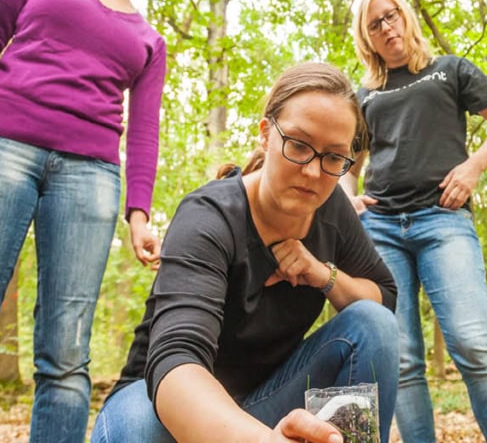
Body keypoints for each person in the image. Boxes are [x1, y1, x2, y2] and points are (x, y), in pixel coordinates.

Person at [0, 0, 168, 443]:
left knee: (66, 360)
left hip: (90, 177)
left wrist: (139, 214)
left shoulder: (149, 41)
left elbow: (142, 130)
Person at [92, 62, 399, 443]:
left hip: (262, 403)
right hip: (166, 404)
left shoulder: (332, 208)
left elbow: (384, 298)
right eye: (299, 146)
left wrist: (323, 274)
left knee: (372, 322)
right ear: (266, 134)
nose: (313, 173)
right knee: (142, 422)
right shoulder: (210, 215)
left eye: (334, 157)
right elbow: (177, 358)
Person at [342, 0, 487, 442]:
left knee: (473, 345)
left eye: (390, 16)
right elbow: (349, 164)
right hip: (381, 229)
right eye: (374, 25)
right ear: (366, 39)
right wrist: (348, 196)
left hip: (444, 221)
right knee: (401, 361)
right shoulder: (364, 94)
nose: (386, 28)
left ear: (404, 16)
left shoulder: (450, 70)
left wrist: (473, 168)